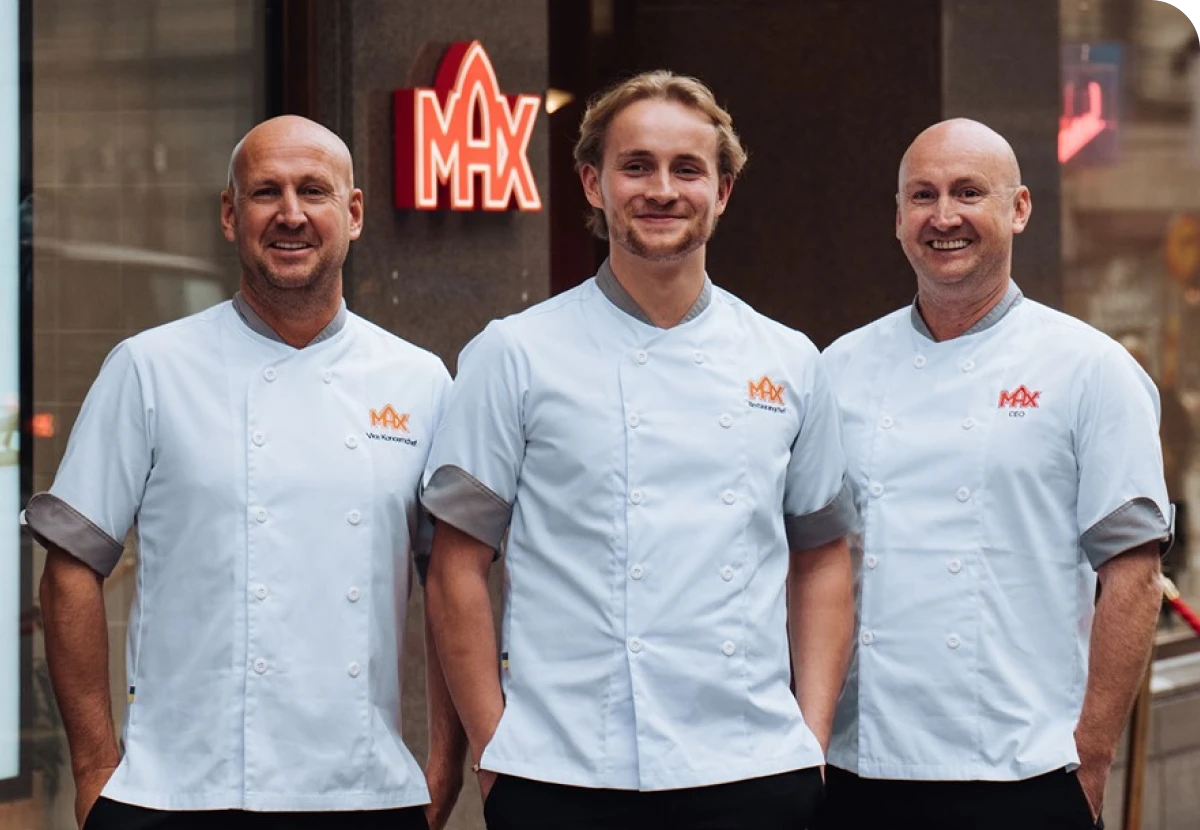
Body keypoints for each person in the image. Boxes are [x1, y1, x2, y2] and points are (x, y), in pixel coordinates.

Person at [421, 71, 857, 830]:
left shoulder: (789, 361)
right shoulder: (514, 355)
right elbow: (457, 565)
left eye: (688, 169)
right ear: (593, 183)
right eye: (636, 166)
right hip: (562, 773)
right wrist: (496, 750)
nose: (662, 189)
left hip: (753, 771)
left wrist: (809, 734)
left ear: (723, 190)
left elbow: (822, 555)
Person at [23, 115, 459, 830]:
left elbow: (451, 584)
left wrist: (443, 766)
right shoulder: (149, 367)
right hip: (176, 792)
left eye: (313, 191)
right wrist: (96, 766)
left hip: (362, 793)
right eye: (265, 192)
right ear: (231, 216)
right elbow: (70, 566)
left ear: (352, 214)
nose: (290, 214)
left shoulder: (419, 380)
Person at [815, 119, 1172, 830]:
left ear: (1019, 208)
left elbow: (1133, 579)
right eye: (922, 195)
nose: (943, 216)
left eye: (968, 192)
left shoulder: (1091, 370)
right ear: (897, 219)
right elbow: (811, 562)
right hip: (859, 767)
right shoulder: (837, 369)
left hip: (1024, 770)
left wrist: (1091, 761)